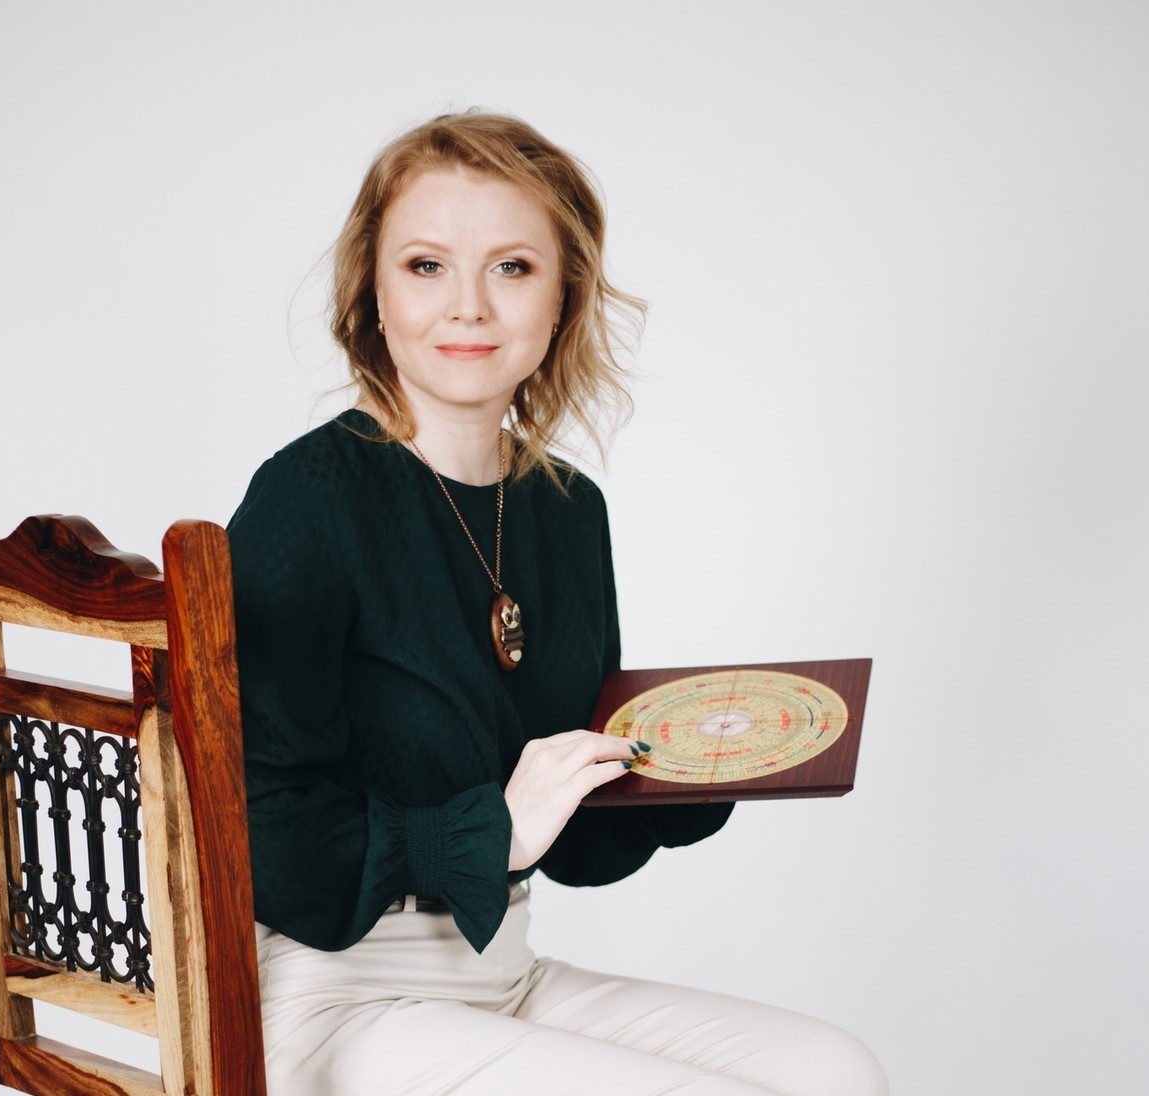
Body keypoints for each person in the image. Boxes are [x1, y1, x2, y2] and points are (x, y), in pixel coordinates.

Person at [227, 110, 888, 1095]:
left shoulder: (567, 511)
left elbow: (569, 844)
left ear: (562, 297)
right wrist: (489, 831)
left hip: (502, 975)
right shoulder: (308, 501)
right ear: (373, 291)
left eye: (512, 267)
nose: (468, 308)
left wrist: (695, 772)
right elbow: (254, 826)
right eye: (426, 265)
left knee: (837, 1073)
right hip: (330, 1001)